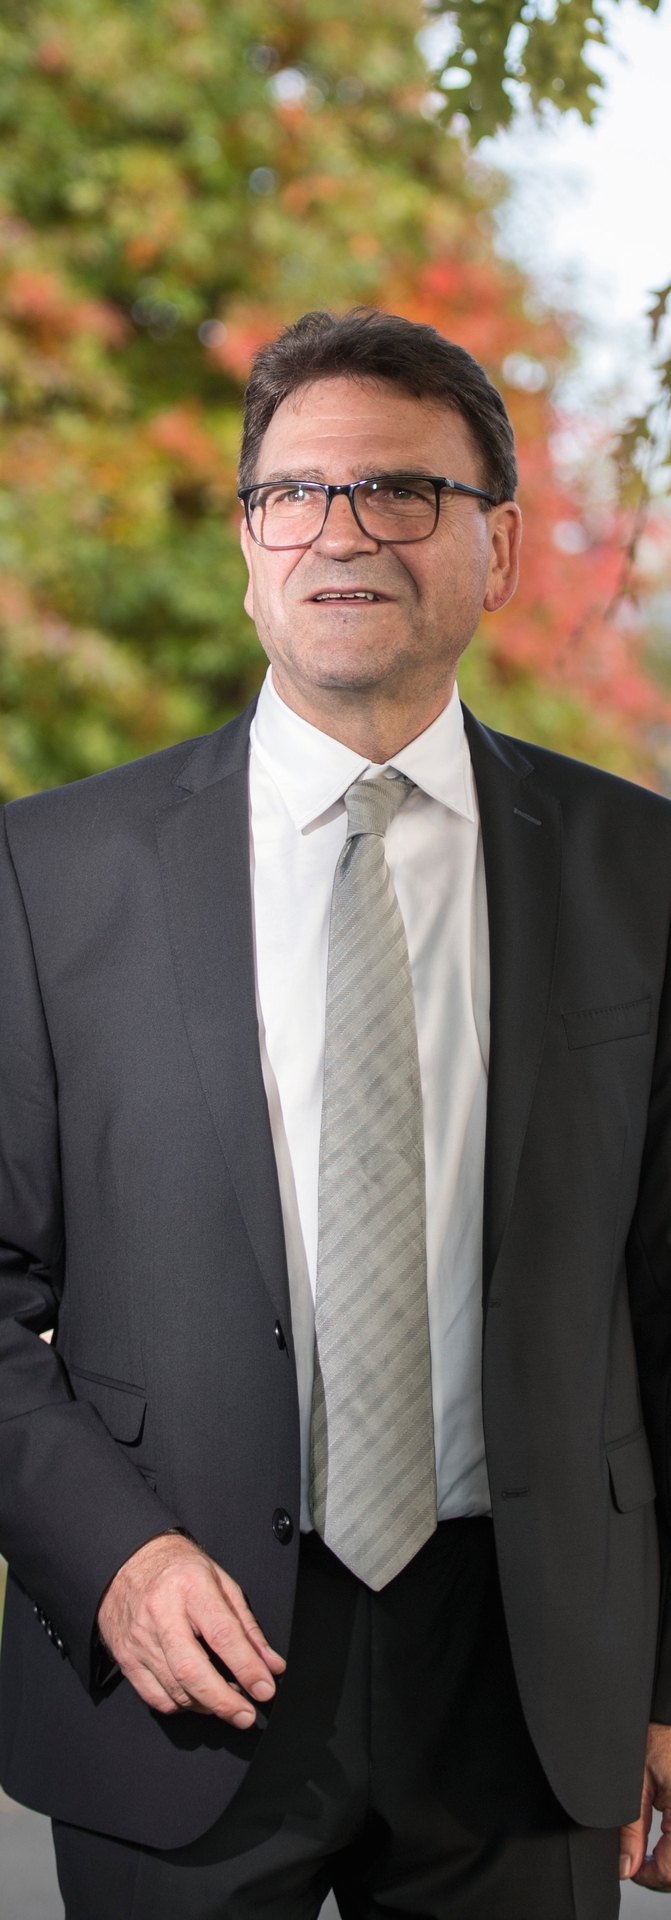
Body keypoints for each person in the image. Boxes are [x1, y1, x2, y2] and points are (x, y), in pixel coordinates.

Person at [1, 306, 671, 1920]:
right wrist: (109, 1554)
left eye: (402, 492)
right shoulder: (50, 874)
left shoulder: (642, 869)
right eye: (293, 493)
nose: (342, 531)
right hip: (182, 1658)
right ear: (248, 551)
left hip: (530, 1685)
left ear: (499, 549)